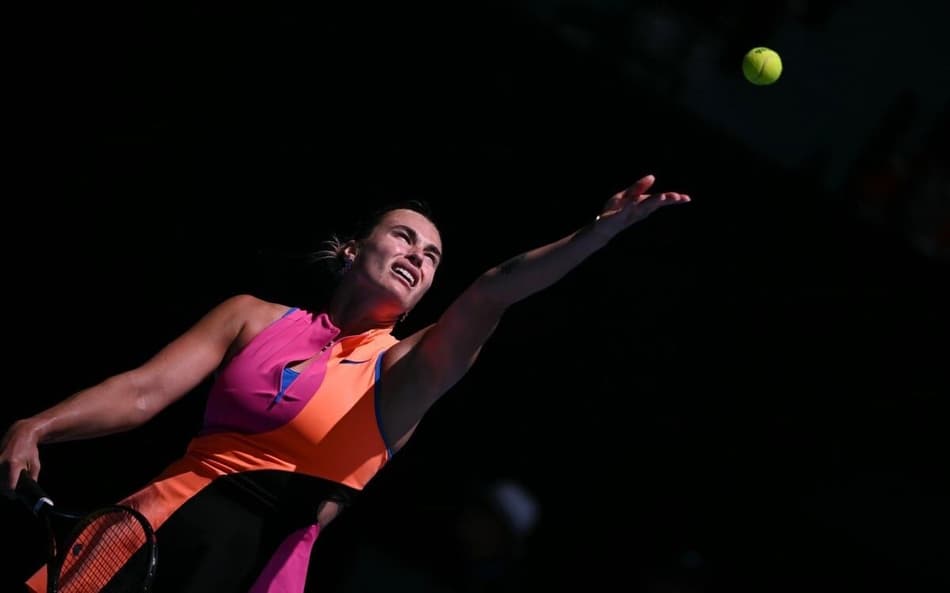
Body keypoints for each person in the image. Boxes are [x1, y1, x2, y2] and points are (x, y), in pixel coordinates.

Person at [0, 173, 690, 592]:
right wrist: (39, 424)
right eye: (405, 238)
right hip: (140, 531)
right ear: (356, 249)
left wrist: (593, 234)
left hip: (256, 574)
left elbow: (490, 293)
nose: (420, 258)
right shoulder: (251, 315)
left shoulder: (405, 370)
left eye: (432, 256)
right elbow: (144, 391)